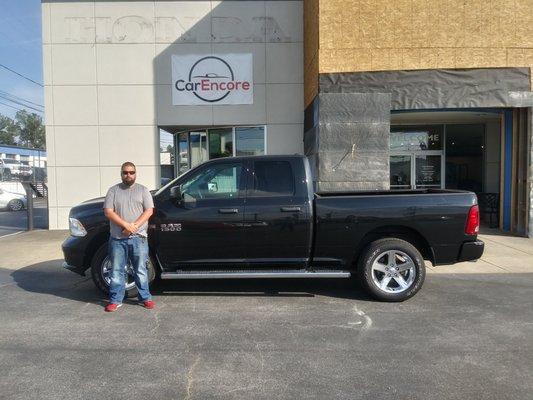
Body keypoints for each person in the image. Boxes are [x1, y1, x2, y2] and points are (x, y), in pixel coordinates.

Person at [103, 161, 155, 312]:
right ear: (121, 174)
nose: (128, 175)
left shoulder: (143, 191)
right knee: (117, 271)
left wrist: (134, 227)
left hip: (139, 238)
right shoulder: (113, 191)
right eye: (125, 172)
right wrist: (126, 226)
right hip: (117, 240)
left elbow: (149, 211)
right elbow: (108, 212)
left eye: (131, 172)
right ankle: (115, 300)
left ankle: (145, 298)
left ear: (135, 173)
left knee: (140, 269)